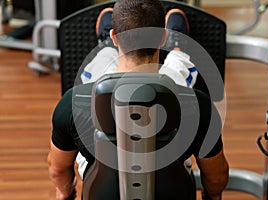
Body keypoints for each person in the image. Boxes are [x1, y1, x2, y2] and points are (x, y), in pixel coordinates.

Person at [47, 0, 229, 200]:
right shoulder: (199, 105)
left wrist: (64, 192)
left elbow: (58, 169)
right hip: (172, 192)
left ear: (115, 36)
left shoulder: (72, 103)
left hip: (101, 192)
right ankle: (177, 47)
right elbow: (216, 177)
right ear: (163, 37)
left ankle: (105, 47)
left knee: (101, 63)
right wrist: (213, 196)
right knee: (178, 71)